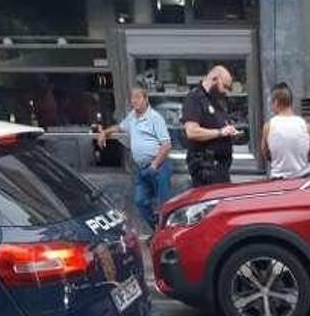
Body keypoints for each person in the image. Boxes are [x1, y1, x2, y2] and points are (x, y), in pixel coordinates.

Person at [98, 87, 172, 228]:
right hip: (141, 168)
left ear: (146, 99)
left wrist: (154, 165)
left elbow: (167, 145)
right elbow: (119, 127)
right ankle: (157, 228)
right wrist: (104, 133)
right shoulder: (132, 116)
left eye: (138, 97)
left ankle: (166, 234)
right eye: (132, 98)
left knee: (165, 205)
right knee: (140, 201)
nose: (134, 101)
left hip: (158, 166)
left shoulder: (155, 118)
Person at [182, 65, 241, 186]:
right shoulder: (195, 98)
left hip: (220, 167)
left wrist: (230, 133)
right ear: (215, 78)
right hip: (205, 167)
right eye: (224, 86)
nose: (225, 91)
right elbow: (192, 132)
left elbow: (220, 125)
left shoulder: (216, 100)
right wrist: (220, 132)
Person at [260, 83, 310, 179]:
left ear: (276, 102)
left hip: (278, 180)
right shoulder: (306, 126)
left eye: (271, 102)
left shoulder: (268, 127)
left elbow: (265, 153)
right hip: (301, 180)